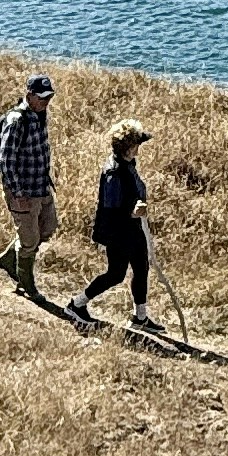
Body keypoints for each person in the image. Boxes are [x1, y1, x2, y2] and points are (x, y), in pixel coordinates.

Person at [0, 72, 59, 296]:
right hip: (23, 193)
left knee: (47, 228)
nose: (46, 101)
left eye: (49, 97)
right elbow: (6, 161)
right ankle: (26, 284)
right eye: (42, 97)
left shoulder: (40, 115)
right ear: (29, 95)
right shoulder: (16, 120)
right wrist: (17, 192)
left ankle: (10, 259)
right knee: (29, 241)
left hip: (41, 187)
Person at [84, 118, 155, 328]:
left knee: (141, 268)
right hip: (119, 232)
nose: (139, 149)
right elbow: (111, 209)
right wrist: (133, 213)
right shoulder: (114, 172)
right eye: (137, 145)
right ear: (129, 147)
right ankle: (77, 304)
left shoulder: (127, 164)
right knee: (116, 274)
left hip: (133, 229)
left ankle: (140, 317)